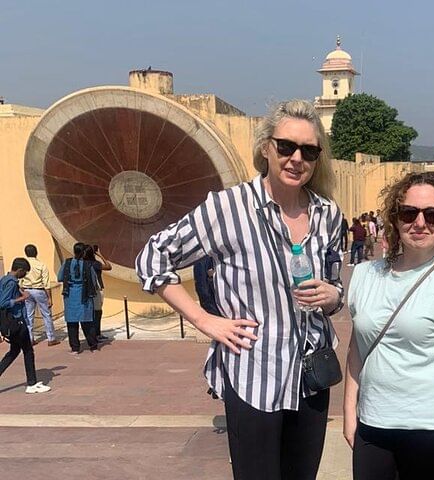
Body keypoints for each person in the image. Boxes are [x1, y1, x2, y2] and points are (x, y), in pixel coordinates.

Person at [136, 99, 345, 480]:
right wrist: (204, 320)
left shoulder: (327, 214)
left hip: (311, 376)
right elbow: (153, 258)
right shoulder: (228, 208)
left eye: (309, 151)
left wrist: (333, 296)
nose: (297, 158)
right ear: (266, 147)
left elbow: (335, 282)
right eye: (286, 146)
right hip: (254, 373)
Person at [344, 171, 434, 480]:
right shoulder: (365, 275)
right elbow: (358, 346)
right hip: (374, 425)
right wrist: (349, 411)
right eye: (409, 213)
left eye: (433, 215)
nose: (420, 223)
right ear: (395, 219)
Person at [0, 258, 52, 393]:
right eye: (25, 272)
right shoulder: (11, 283)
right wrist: (22, 298)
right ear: (20, 270)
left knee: (14, 351)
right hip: (16, 321)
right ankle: (31, 383)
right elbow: (3, 302)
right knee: (28, 351)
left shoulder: (5, 280)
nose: (25, 275)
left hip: (12, 322)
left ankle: (31, 382)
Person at [58, 243, 99, 355]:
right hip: (84, 295)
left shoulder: (67, 263)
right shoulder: (87, 264)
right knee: (87, 321)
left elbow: (60, 277)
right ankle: (93, 345)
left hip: (70, 295)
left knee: (72, 323)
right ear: (84, 253)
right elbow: (93, 280)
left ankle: (75, 348)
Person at [20, 244, 59, 346]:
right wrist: (49, 298)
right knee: (46, 314)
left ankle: (30, 338)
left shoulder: (23, 266)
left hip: (27, 290)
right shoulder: (41, 265)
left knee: (29, 315)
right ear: (36, 252)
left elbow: (20, 281)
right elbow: (46, 284)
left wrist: (22, 291)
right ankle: (51, 338)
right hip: (39, 290)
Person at [84, 245, 112, 341]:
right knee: (97, 312)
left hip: (87, 290)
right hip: (97, 291)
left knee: (91, 313)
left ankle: (93, 334)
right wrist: (100, 255)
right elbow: (108, 267)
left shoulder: (83, 264)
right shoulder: (95, 264)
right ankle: (97, 334)